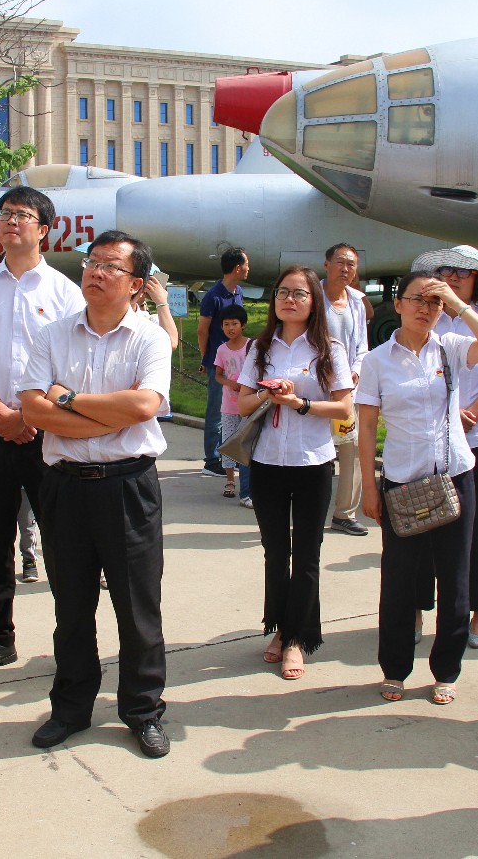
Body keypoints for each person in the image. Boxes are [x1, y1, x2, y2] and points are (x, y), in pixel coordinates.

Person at [18, 230, 173, 758]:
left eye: (110, 265)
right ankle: (70, 708)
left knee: (138, 609)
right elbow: (34, 412)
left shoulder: (149, 337)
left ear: (136, 284)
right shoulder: (53, 334)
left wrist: (73, 402)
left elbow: (144, 408)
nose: (96, 272)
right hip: (64, 489)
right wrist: (103, 418)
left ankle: (143, 710)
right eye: (91, 262)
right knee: (72, 608)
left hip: (128, 487)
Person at [0, 186, 85, 680]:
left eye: (21, 215)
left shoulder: (66, 293)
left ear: (43, 229)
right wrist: (1, 415)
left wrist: (28, 416)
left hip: (47, 436)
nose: (10, 222)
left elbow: (73, 368)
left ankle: (70, 641)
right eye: (4, 214)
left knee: (64, 541)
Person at [357, 268, 478, 705]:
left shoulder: (452, 347)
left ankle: (446, 669)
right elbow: (366, 427)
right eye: (417, 299)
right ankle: (396, 668)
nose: (426, 308)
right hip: (402, 482)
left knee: (455, 580)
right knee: (400, 581)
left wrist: (459, 305)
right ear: (397, 304)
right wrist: (369, 487)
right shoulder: (377, 360)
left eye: (435, 302)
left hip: (455, 476)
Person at [238, 266, 354, 681]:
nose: (289, 299)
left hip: (312, 462)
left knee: (306, 554)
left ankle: (296, 640)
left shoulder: (328, 349)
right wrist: (268, 394)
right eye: (282, 292)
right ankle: (279, 628)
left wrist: (299, 403)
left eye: (299, 294)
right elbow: (241, 404)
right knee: (275, 552)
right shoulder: (260, 347)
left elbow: (343, 408)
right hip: (268, 463)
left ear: (313, 301)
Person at [412, 245, 478, 649]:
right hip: (427, 445)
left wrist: (466, 415)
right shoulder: (425, 318)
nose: (453, 278)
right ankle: (416, 609)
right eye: (446, 271)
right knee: (418, 529)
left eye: (463, 273)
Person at [322, 243, 371, 537]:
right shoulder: (311, 296)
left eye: (351, 264)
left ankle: (344, 513)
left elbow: (362, 346)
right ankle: (306, 507)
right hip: (314, 386)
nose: (345, 269)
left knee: (352, 447)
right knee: (314, 449)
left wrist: (355, 372)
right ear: (326, 264)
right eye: (340, 262)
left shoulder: (356, 301)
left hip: (347, 389)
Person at [198, 248, 248, 476]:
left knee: (235, 411)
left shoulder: (239, 292)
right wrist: (206, 358)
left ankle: (229, 457)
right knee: (216, 413)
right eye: (247, 264)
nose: (249, 269)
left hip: (238, 363)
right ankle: (212, 460)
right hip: (219, 364)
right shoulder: (213, 296)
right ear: (237, 268)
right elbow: (202, 330)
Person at [214, 304, 251, 503]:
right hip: (228, 405)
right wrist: (229, 383)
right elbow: (218, 375)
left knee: (247, 444)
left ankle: (249, 483)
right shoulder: (222, 349)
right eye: (226, 324)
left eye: (234, 324)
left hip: (249, 405)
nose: (230, 328)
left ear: (243, 325)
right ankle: (230, 480)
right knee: (228, 442)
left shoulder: (251, 346)